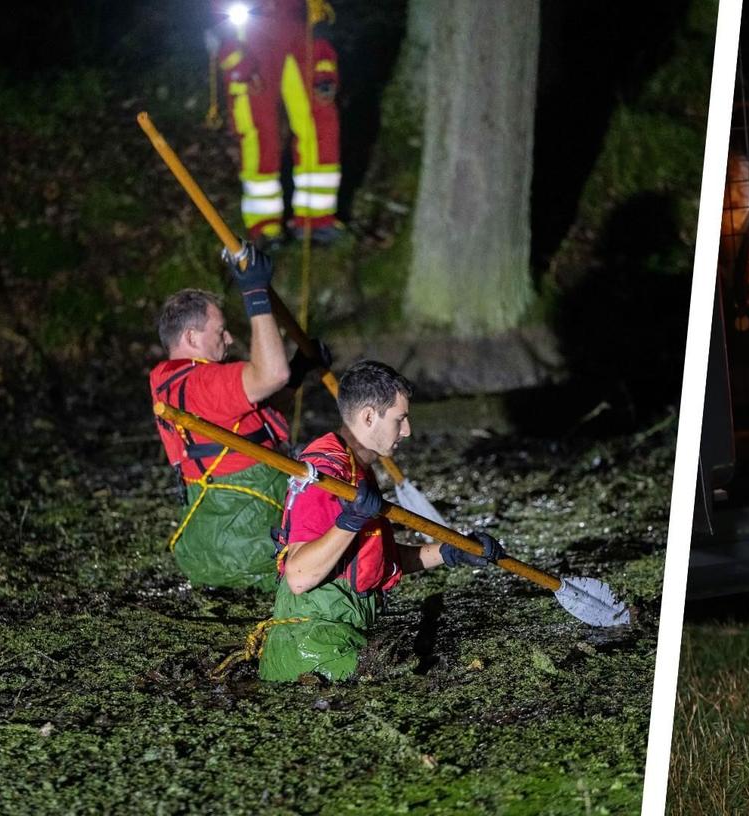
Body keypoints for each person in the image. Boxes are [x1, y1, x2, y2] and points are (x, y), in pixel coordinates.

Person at [258, 360, 506, 682]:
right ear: (369, 417)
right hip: (311, 651)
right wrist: (351, 520)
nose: (407, 430)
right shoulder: (326, 474)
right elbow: (299, 576)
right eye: (400, 419)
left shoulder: (358, 469)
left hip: (340, 636)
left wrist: (450, 552)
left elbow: (377, 560)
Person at [150, 246, 328, 591]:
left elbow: (258, 417)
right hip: (251, 549)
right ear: (191, 338)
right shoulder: (202, 383)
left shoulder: (170, 380)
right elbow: (270, 374)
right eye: (220, 331)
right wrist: (255, 292)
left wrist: (299, 371)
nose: (229, 338)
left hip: (213, 549)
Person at [211, 0, 342, 247]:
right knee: (260, 133)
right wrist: (236, 58)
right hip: (249, 35)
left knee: (320, 122)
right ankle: (264, 226)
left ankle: (316, 219)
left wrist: (322, 44)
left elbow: (322, 10)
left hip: (300, 29)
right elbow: (218, 15)